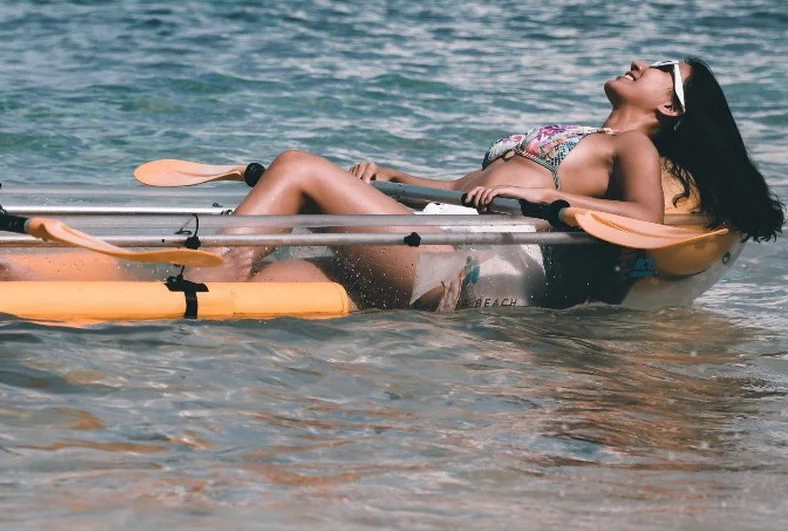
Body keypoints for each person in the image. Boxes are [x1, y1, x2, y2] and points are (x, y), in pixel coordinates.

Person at [218, 58, 783, 310]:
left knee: (295, 166)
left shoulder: (629, 145)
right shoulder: (587, 134)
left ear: (668, 104)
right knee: (262, 283)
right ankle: (191, 311)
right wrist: (398, 177)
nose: (639, 61)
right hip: (427, 243)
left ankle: (210, 273)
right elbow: (466, 192)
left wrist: (554, 197)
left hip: (452, 263)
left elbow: (646, 217)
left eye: (662, 67)